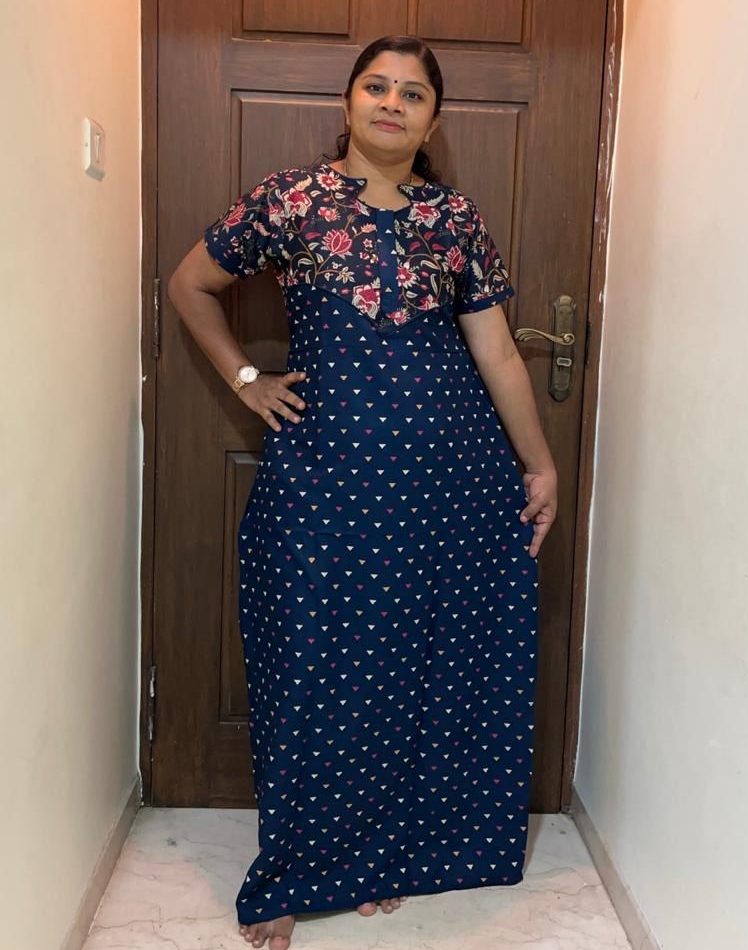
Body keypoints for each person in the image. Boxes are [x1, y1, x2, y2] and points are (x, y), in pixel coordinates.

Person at [168, 33, 557, 950]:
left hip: (451, 480)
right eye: (376, 86)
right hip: (327, 474)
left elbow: (498, 352)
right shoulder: (289, 200)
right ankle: (305, 863)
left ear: (433, 119)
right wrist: (246, 381)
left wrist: (539, 464)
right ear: (347, 103)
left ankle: (390, 853)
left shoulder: (454, 218)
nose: (392, 102)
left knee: (421, 662)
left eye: (412, 93)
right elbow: (190, 284)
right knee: (315, 657)